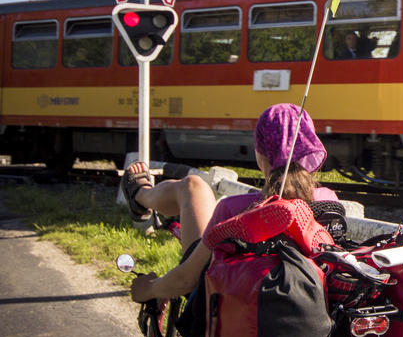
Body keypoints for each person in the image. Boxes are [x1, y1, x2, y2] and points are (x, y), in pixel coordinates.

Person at [126, 103, 338, 303]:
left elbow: (187, 281)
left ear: (260, 155)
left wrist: (148, 288)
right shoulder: (328, 201)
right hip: (310, 320)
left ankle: (141, 195)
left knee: (193, 186)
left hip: (233, 314)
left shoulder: (234, 209)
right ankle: (142, 195)